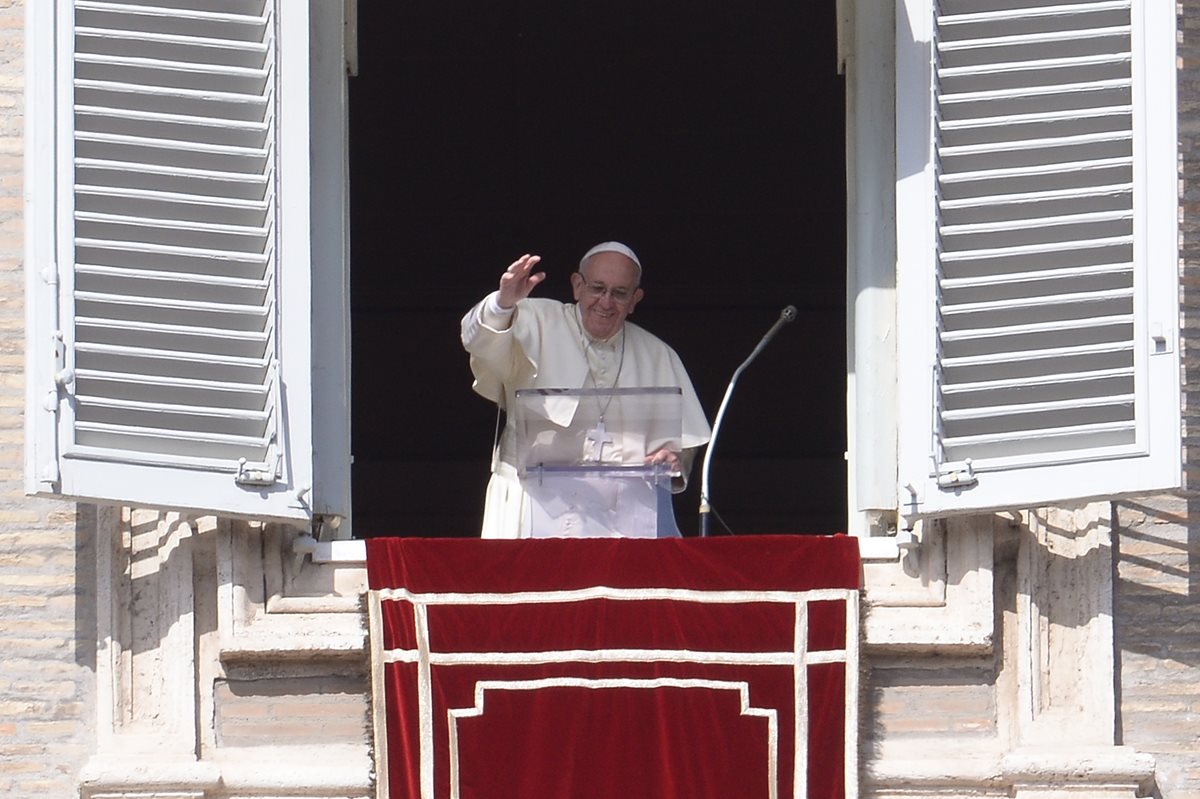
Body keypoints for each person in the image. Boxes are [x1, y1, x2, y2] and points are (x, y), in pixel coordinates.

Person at [461, 241, 711, 538]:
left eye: (619, 293)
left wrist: (673, 458)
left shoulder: (658, 355)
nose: (606, 302)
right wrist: (501, 304)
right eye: (597, 288)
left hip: (620, 515)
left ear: (635, 299)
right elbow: (477, 341)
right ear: (577, 285)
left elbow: (683, 443)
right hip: (529, 500)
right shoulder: (535, 318)